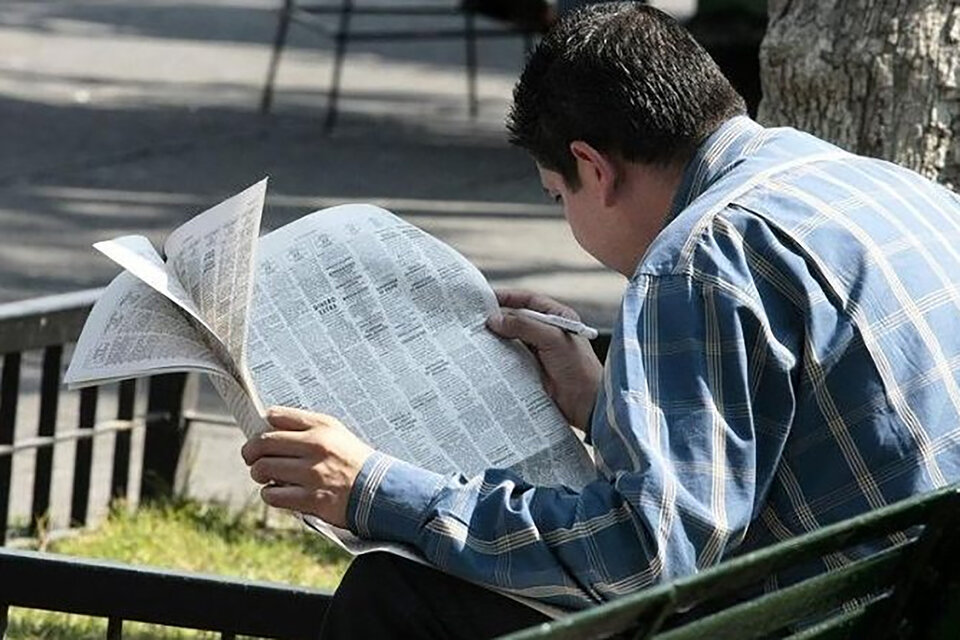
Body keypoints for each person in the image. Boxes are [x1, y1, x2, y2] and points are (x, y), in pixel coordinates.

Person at [240, 4, 960, 638]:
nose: (567, 218)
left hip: (848, 616)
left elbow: (643, 558)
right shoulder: (892, 187)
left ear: (594, 166)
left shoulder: (699, 257)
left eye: (558, 196)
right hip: (912, 602)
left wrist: (374, 487)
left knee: (394, 593)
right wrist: (602, 398)